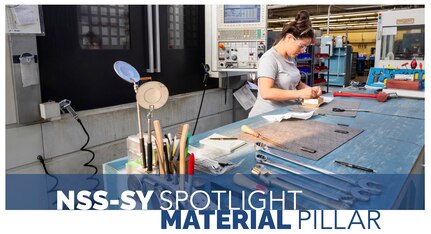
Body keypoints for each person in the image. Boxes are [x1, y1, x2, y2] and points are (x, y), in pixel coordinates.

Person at [249, 10, 322, 117]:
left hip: (286, 113)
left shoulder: (290, 58)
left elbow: (295, 83)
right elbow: (266, 92)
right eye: (301, 46)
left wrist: (309, 90)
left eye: (305, 47)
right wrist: (300, 94)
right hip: (267, 117)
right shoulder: (269, 59)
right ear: (289, 38)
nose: (303, 51)